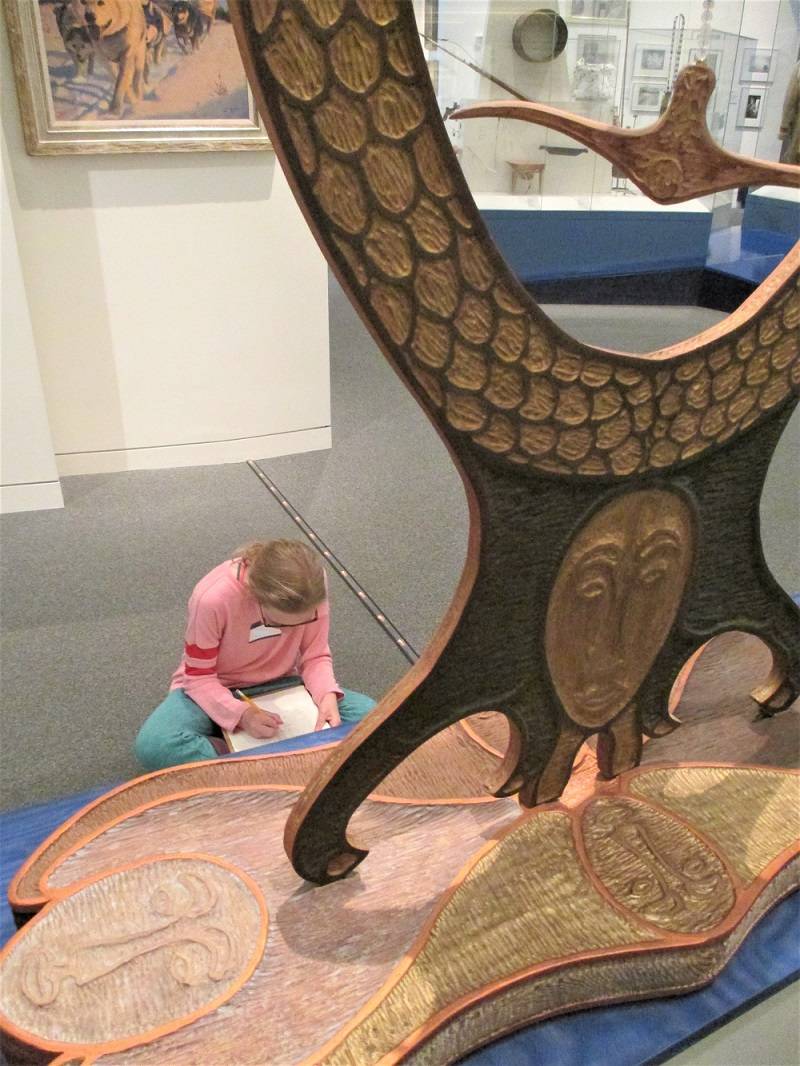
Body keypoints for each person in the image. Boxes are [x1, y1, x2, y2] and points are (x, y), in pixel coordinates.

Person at [135, 539, 376, 770]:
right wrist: (242, 715)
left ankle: (242, 764)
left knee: (373, 719)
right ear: (255, 595)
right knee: (155, 745)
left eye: (303, 621)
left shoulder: (312, 585)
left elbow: (315, 655)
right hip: (214, 686)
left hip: (283, 683)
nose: (288, 631)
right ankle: (275, 760)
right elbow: (198, 677)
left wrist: (325, 694)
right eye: (277, 623)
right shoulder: (212, 598)